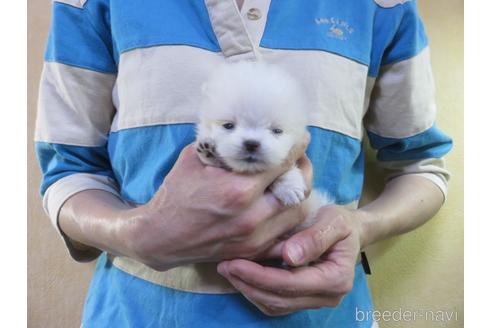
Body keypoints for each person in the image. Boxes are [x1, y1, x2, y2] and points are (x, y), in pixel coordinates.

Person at [35, 0, 452, 327]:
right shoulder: (87, 4)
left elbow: (422, 166)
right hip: (138, 314)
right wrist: (135, 234)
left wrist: (358, 227)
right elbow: (69, 170)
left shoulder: (385, 6)